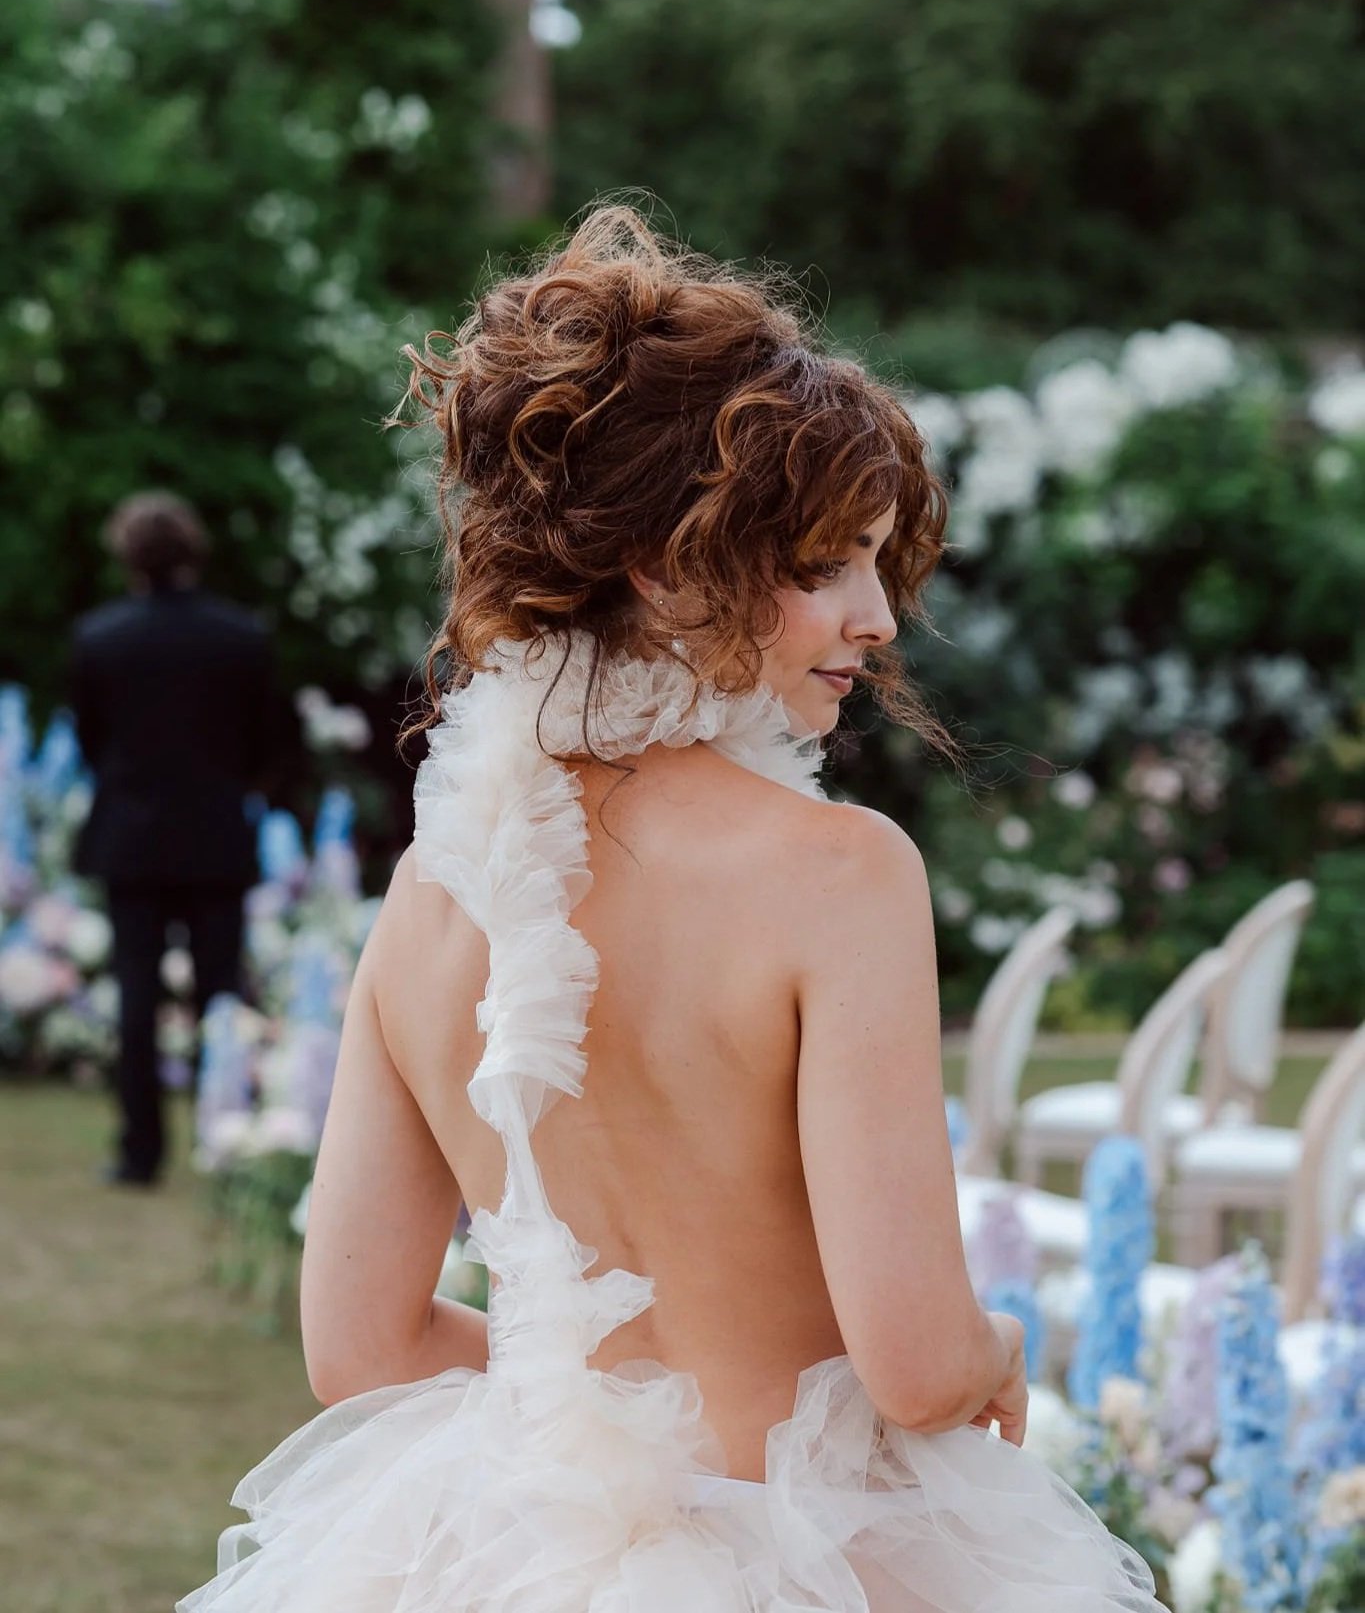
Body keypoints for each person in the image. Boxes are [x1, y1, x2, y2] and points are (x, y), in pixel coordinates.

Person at [179, 209, 1164, 1610]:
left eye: (877, 562)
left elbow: (363, 1345)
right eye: (825, 565)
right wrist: (992, 1350)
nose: (878, 616)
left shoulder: (429, 895)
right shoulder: (840, 872)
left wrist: (599, 1421)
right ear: (660, 564)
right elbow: (916, 1361)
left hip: (517, 1557)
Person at [70, 492, 291, 1187]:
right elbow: (268, 743)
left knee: (136, 999)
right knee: (219, 996)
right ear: (193, 550)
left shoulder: (99, 639)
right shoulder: (241, 637)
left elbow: (90, 744)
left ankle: (141, 1154)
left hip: (130, 844)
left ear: (127, 555)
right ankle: (222, 1142)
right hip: (216, 841)